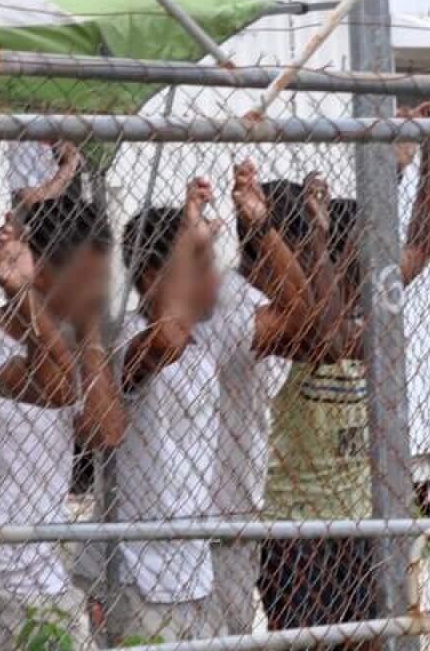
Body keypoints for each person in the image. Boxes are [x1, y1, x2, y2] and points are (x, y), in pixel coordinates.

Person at [115, 167, 327, 642]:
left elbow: (300, 315)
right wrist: (191, 228)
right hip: (137, 574)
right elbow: (164, 338)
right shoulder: (127, 338)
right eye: (201, 263)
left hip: (192, 571)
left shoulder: (208, 338)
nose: (216, 276)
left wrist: (262, 228)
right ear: (156, 274)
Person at [260, 105, 430, 641]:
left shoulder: (366, 305)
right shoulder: (292, 316)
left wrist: (428, 155)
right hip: (299, 527)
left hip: (362, 516)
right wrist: (389, 174)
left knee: (368, 635)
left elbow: (423, 244)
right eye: (360, 250)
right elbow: (332, 336)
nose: (377, 263)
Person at [0, 196, 126, 649]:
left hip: (46, 579)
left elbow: (106, 432)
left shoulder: (79, 342)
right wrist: (23, 295)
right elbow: (55, 385)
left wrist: (88, 331)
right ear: (42, 269)